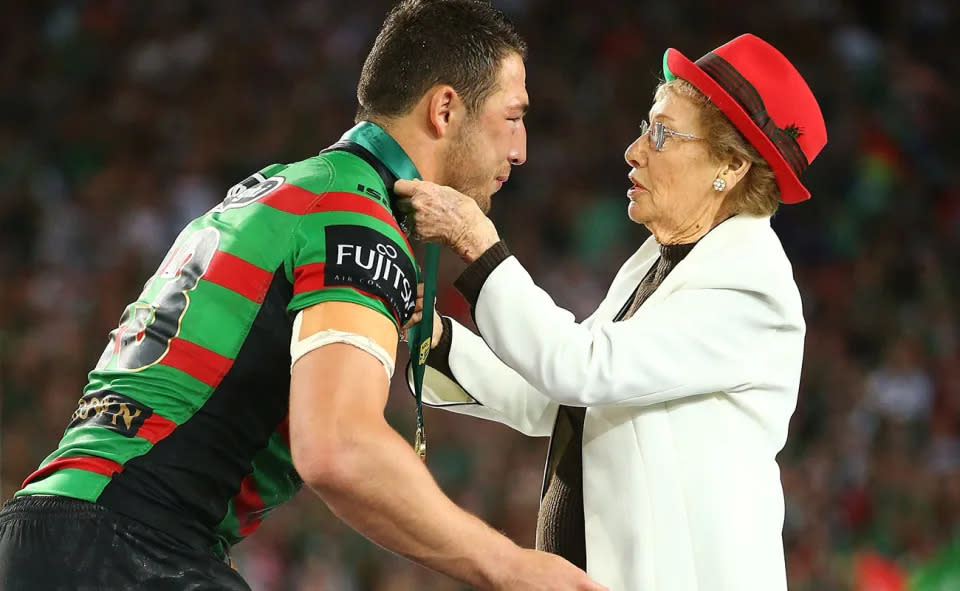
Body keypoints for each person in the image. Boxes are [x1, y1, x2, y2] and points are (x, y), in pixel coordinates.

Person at [0, 2, 606, 590]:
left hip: (63, 530)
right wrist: (513, 568)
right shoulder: (354, 218)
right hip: (127, 549)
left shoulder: (283, 189)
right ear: (445, 108)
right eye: (514, 115)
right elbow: (340, 447)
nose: (522, 149)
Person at [396, 33, 828, 590]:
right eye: (646, 126)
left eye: (662, 133)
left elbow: (580, 368)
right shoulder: (662, 257)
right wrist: (428, 333)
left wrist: (476, 240)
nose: (635, 150)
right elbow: (552, 398)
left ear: (731, 165)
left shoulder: (750, 285)